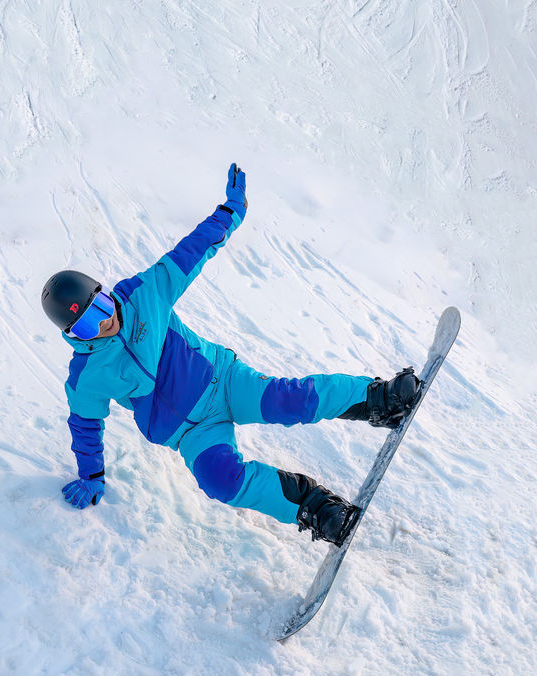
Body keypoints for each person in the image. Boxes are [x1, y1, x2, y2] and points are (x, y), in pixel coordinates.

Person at [41, 164, 420, 546]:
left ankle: (379, 399)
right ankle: (317, 508)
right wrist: (90, 476)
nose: (106, 323)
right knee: (219, 480)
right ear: (73, 336)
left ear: (107, 293)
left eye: (103, 307)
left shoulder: (144, 293)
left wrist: (231, 211)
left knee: (290, 400)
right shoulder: (85, 376)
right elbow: (86, 428)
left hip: (222, 383)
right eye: (89, 326)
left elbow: (191, 251)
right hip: (190, 432)